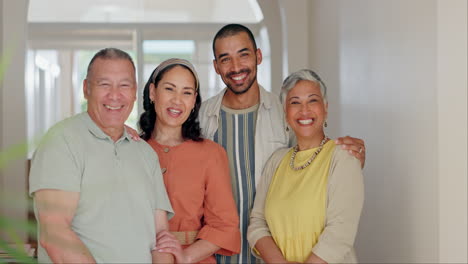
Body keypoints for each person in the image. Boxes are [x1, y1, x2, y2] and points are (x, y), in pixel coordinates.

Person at [198, 24, 366, 264]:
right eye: (225, 59)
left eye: (243, 54)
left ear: (258, 56)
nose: (236, 67)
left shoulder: (282, 111)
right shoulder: (200, 118)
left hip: (266, 257)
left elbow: (315, 153)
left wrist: (353, 156)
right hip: (218, 253)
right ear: (216, 66)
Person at [29, 48, 174, 263]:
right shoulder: (61, 141)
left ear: (134, 91)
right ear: (86, 88)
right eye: (104, 84)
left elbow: (161, 238)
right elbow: (55, 235)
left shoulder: (145, 153)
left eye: (124, 85)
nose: (114, 95)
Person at [247, 69, 364, 263]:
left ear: (325, 108)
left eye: (312, 100)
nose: (304, 110)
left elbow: (340, 233)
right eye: (295, 102)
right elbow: (257, 223)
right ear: (285, 113)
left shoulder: (343, 157)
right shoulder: (276, 161)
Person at [138, 58, 241, 263]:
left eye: (186, 93)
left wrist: (185, 257)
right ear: (152, 92)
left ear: (194, 101)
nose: (177, 100)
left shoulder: (211, 154)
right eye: (169, 89)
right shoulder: (131, 150)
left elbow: (224, 225)